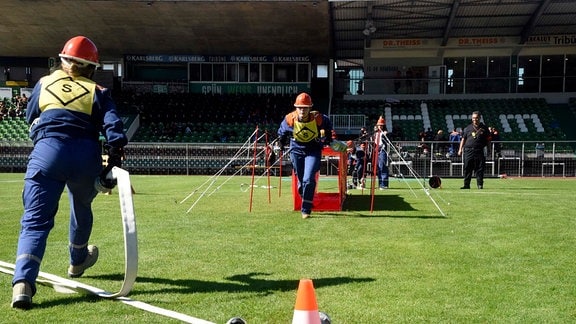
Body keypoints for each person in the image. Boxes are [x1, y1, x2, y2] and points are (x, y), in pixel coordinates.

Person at [11, 36, 128, 309]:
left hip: (47, 152)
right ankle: (77, 261)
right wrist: (114, 161)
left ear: (62, 61)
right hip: (85, 155)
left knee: (35, 222)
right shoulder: (97, 90)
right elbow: (115, 129)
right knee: (81, 204)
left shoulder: (44, 82)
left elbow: (31, 117)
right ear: (92, 67)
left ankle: (23, 284)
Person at [277, 92, 337, 219]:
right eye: (300, 107)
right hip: (296, 151)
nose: (302, 110)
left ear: (310, 108)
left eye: (305, 108)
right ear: (296, 107)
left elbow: (328, 128)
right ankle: (302, 188)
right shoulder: (289, 119)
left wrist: (328, 138)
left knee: (309, 179)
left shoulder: (319, 118)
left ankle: (306, 209)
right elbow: (281, 132)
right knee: (301, 178)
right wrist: (281, 143)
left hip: (313, 150)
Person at [458, 111, 491, 189]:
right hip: (468, 150)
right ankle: (466, 185)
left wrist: (489, 149)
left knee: (480, 168)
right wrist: (460, 149)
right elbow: (463, 139)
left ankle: (480, 184)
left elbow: (489, 140)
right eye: (473, 118)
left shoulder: (484, 128)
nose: (474, 119)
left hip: (480, 150)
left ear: (479, 118)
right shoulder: (468, 128)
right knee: (467, 168)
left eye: (476, 118)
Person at [374, 116, 389, 190]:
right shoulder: (376, 133)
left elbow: (387, 141)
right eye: (379, 125)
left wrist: (385, 134)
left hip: (383, 150)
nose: (380, 126)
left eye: (381, 125)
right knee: (379, 168)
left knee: (382, 166)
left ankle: (384, 184)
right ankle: (380, 184)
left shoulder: (385, 133)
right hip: (377, 150)